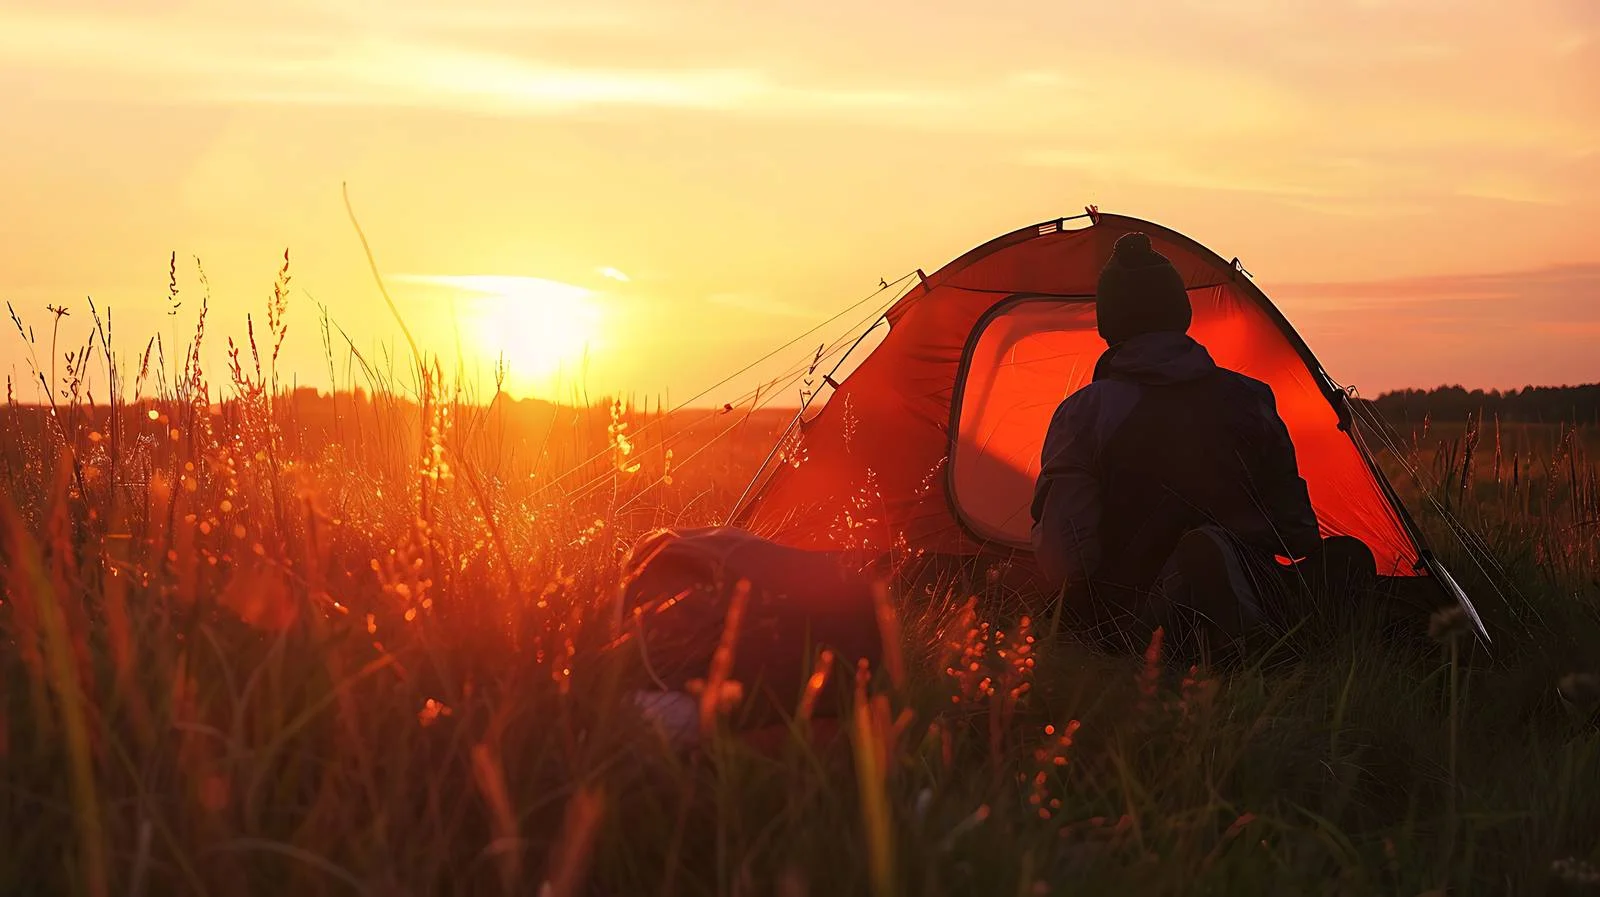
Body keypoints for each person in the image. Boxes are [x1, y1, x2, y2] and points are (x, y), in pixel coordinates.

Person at [1029, 232, 1374, 656]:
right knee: (1345, 558)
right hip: (1253, 589)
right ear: (1181, 315)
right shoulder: (1252, 399)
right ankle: (1274, 634)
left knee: (1203, 555)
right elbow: (1298, 532)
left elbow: (1069, 560)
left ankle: (1232, 624)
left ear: (1108, 325)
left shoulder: (1084, 413)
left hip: (1142, 621)